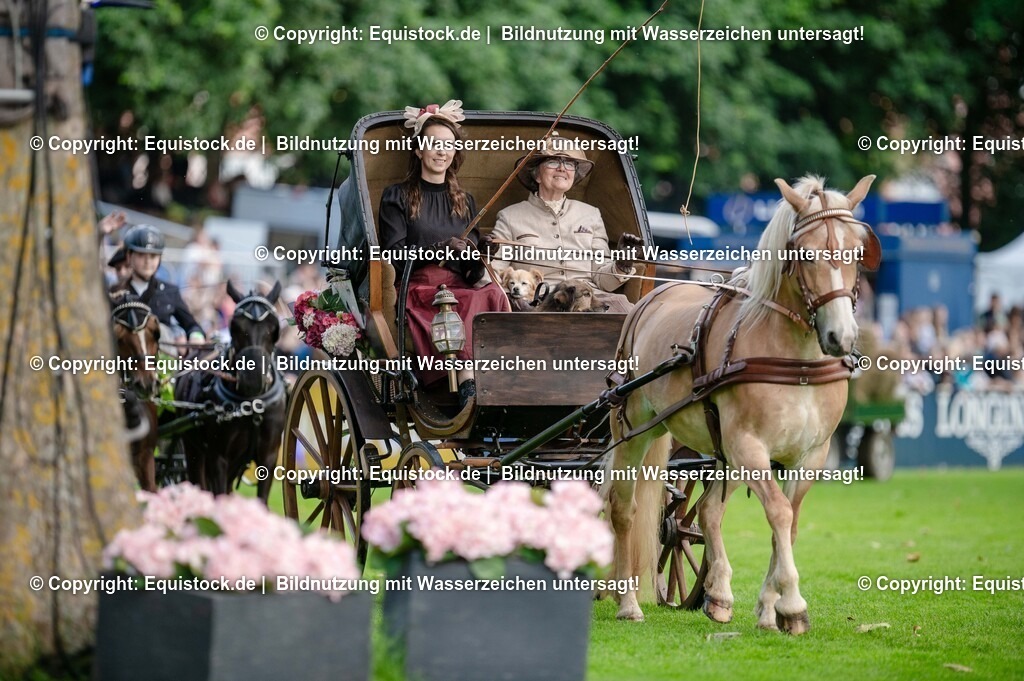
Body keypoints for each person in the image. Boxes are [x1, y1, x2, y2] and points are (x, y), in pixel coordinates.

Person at [378, 100, 509, 406]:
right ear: (418, 149)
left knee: (492, 294)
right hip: (418, 288)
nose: (441, 151)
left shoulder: (464, 201)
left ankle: (503, 381)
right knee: (463, 301)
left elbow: (472, 274)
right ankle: (469, 391)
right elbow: (395, 255)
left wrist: (482, 255)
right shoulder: (396, 196)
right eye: (433, 144)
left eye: (448, 145)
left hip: (459, 286)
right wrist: (440, 248)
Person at [483, 137, 642, 313]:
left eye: (569, 164)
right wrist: (515, 300)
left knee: (628, 312)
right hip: (541, 301)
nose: (562, 168)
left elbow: (603, 280)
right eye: (553, 161)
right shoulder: (510, 216)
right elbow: (495, 276)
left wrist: (622, 265)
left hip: (591, 299)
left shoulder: (591, 214)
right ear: (536, 174)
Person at [113, 224, 206, 344]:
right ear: (129, 256)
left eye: (153, 256)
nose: (148, 262)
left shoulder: (170, 291)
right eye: (141, 255)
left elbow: (192, 325)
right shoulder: (115, 293)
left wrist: (196, 336)